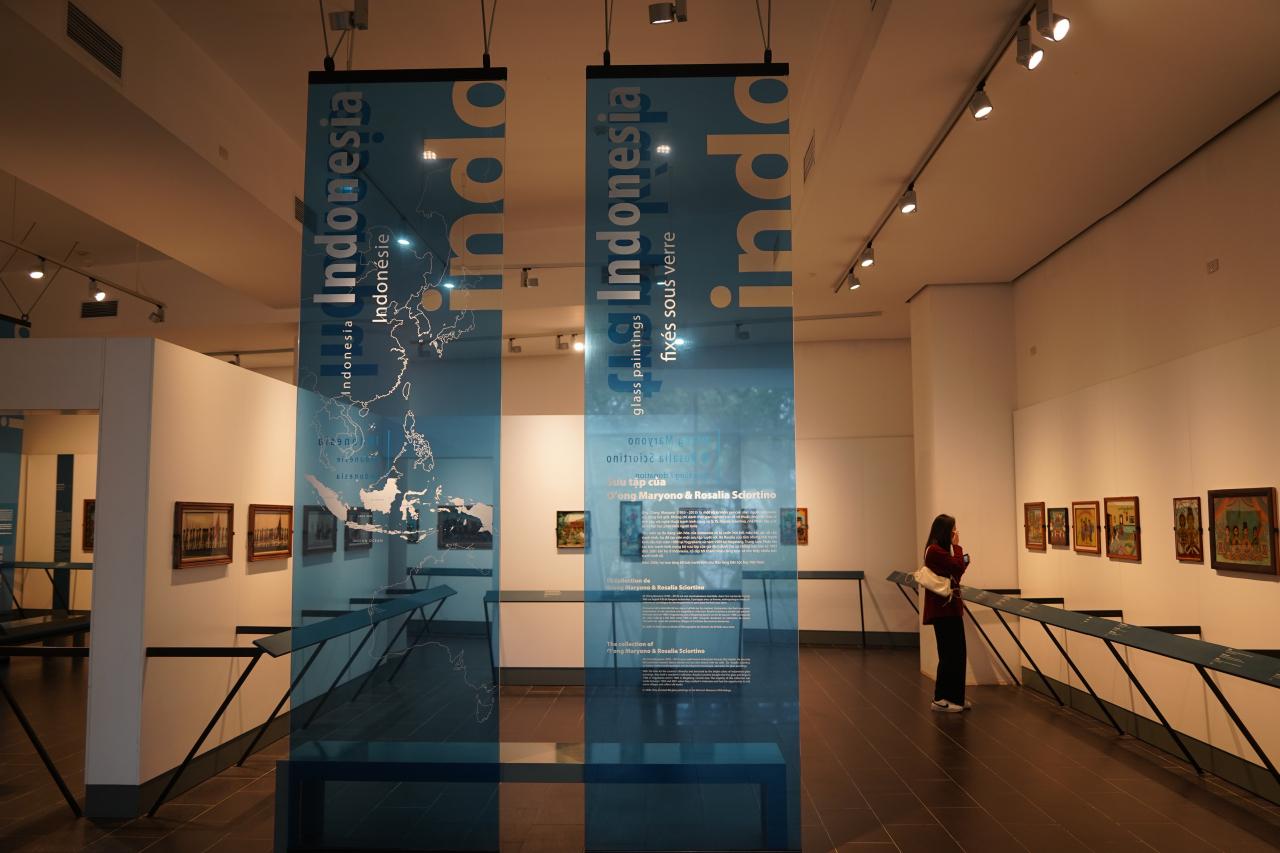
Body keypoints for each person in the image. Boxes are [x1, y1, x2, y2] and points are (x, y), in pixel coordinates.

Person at [923, 513, 970, 713]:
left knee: (958, 653)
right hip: (943, 610)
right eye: (952, 529)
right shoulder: (934, 550)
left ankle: (955, 697)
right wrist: (957, 547)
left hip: (950, 608)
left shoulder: (941, 550)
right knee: (949, 655)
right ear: (945, 531)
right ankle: (940, 698)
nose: (955, 532)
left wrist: (957, 556)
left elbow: (956, 571)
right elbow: (957, 566)